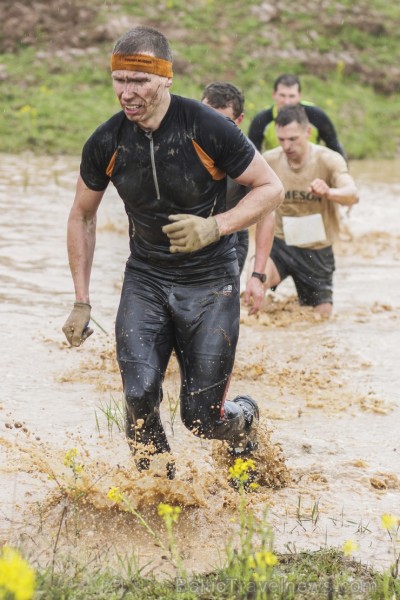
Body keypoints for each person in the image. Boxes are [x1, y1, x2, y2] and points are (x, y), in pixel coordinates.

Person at [62, 26, 284, 479]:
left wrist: (214, 226)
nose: (127, 92)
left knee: (202, 419)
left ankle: (245, 419)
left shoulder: (208, 128)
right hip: (146, 277)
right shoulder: (106, 141)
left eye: (138, 81)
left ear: (165, 78)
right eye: (119, 80)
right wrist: (81, 299)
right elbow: (82, 216)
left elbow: (271, 188)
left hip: (210, 279)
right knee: (139, 396)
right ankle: (161, 495)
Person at [244, 104, 358, 318]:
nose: (287, 146)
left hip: (316, 249)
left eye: (293, 139)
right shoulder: (269, 160)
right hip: (280, 244)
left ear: (307, 132)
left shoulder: (328, 159)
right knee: (252, 284)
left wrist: (329, 193)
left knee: (320, 319)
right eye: (282, 140)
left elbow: (352, 194)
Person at [201, 81, 275, 274]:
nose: (212, 128)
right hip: (187, 230)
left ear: (239, 120)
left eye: (223, 121)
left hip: (230, 236)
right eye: (207, 117)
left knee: (218, 301)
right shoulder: (177, 141)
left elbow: (267, 210)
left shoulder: (248, 156)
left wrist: (258, 275)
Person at [248, 74, 346, 159]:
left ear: (299, 95)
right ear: (274, 95)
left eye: (292, 96)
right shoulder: (261, 120)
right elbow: (252, 155)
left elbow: (335, 147)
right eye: (282, 95)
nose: (287, 102)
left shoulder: (316, 116)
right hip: (277, 171)